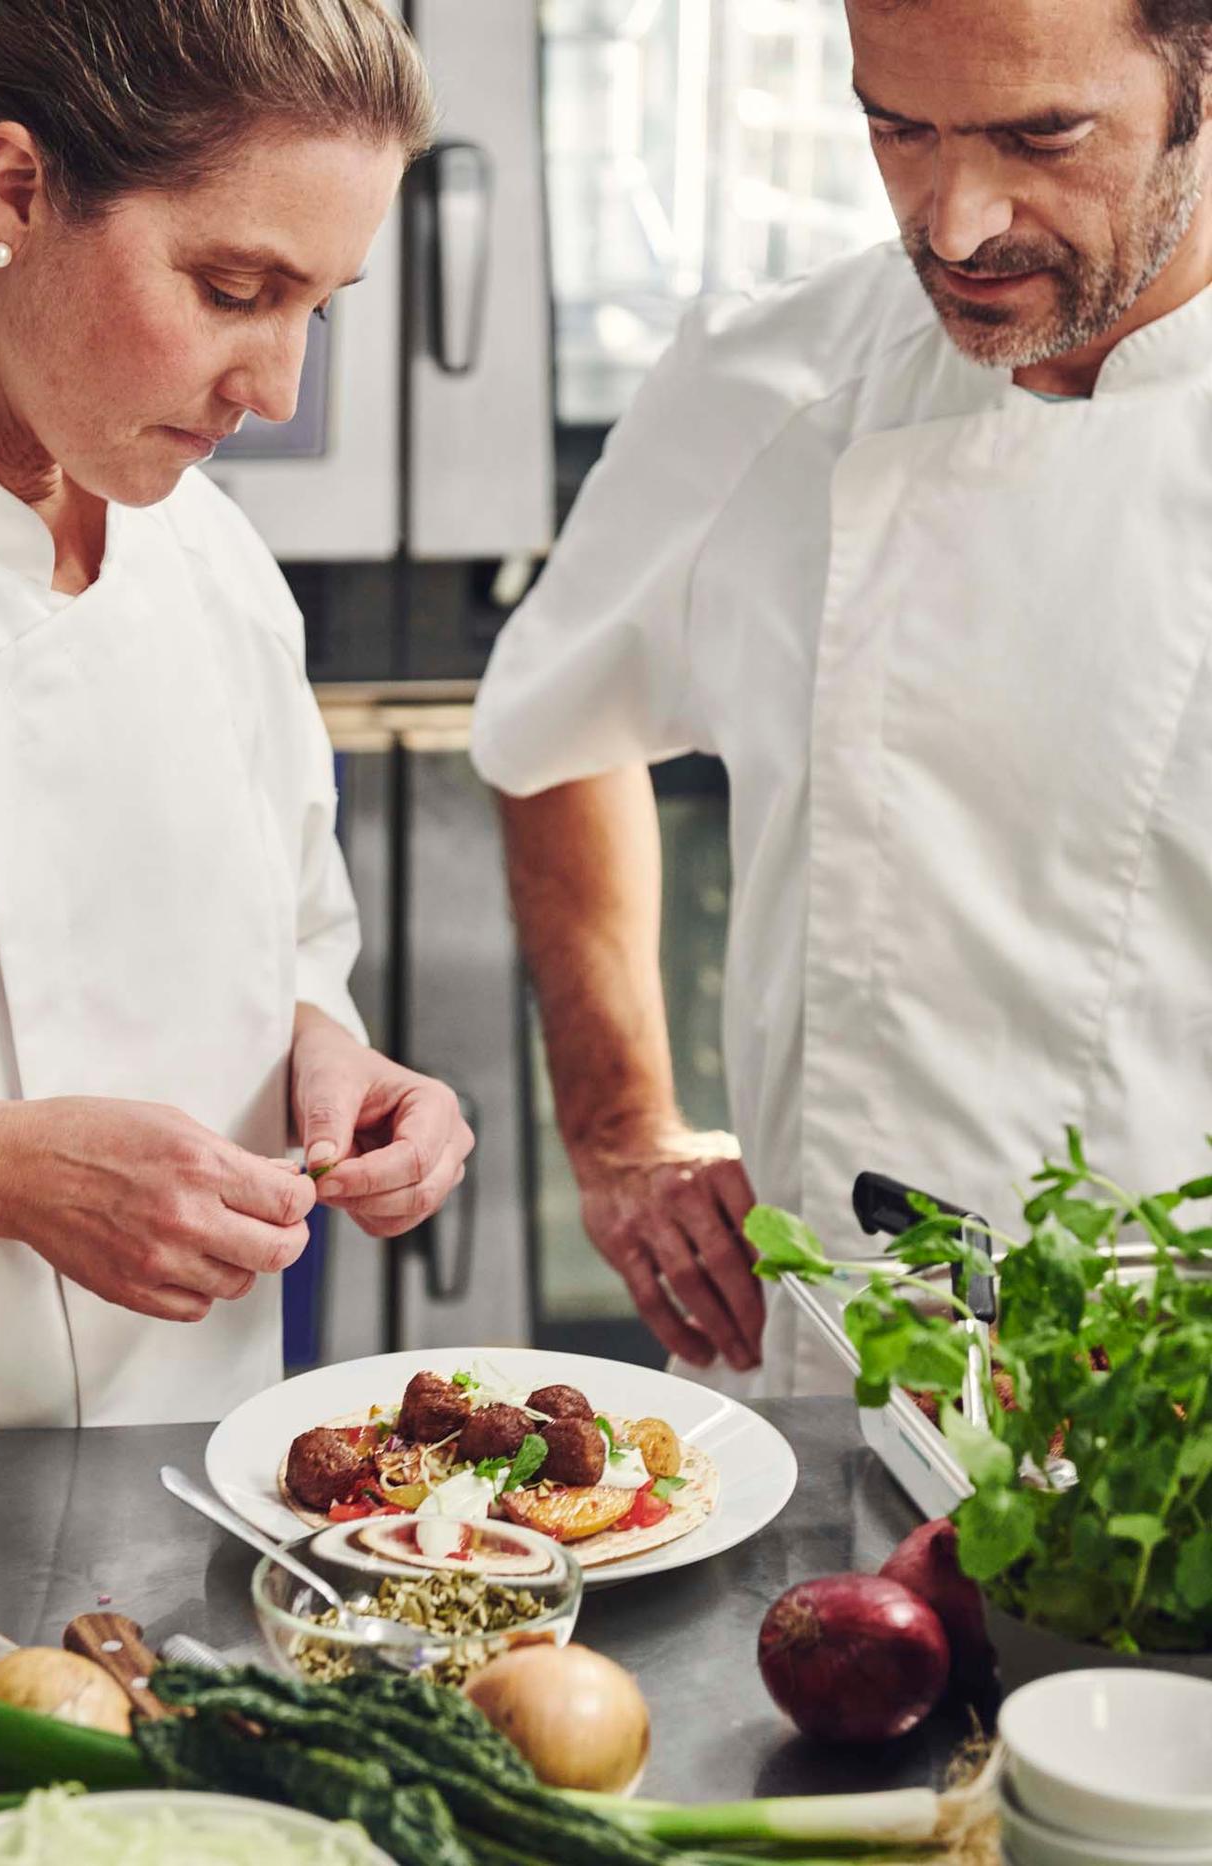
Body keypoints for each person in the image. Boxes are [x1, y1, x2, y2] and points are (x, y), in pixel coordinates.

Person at [472, 0, 1212, 1398]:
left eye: (1040, 134)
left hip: (1172, 1445)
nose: (955, 222)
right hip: (817, 1398)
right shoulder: (764, 389)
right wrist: (622, 1128)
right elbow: (550, 731)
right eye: (898, 128)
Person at [0, 0, 474, 1430]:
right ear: (18, 189)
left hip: (202, 1486)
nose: (279, 389)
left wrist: (335, 1069)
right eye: (235, 290)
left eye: (317, 306)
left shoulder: (212, 564)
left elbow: (291, 946)